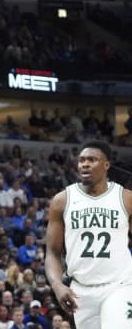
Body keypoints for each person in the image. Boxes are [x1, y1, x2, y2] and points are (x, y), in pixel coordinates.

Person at [45, 140, 132, 329]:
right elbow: (52, 252)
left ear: (106, 165)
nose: (84, 164)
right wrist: (57, 285)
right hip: (81, 290)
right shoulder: (62, 201)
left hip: (120, 285)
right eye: (81, 160)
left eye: (92, 159)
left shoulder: (125, 199)